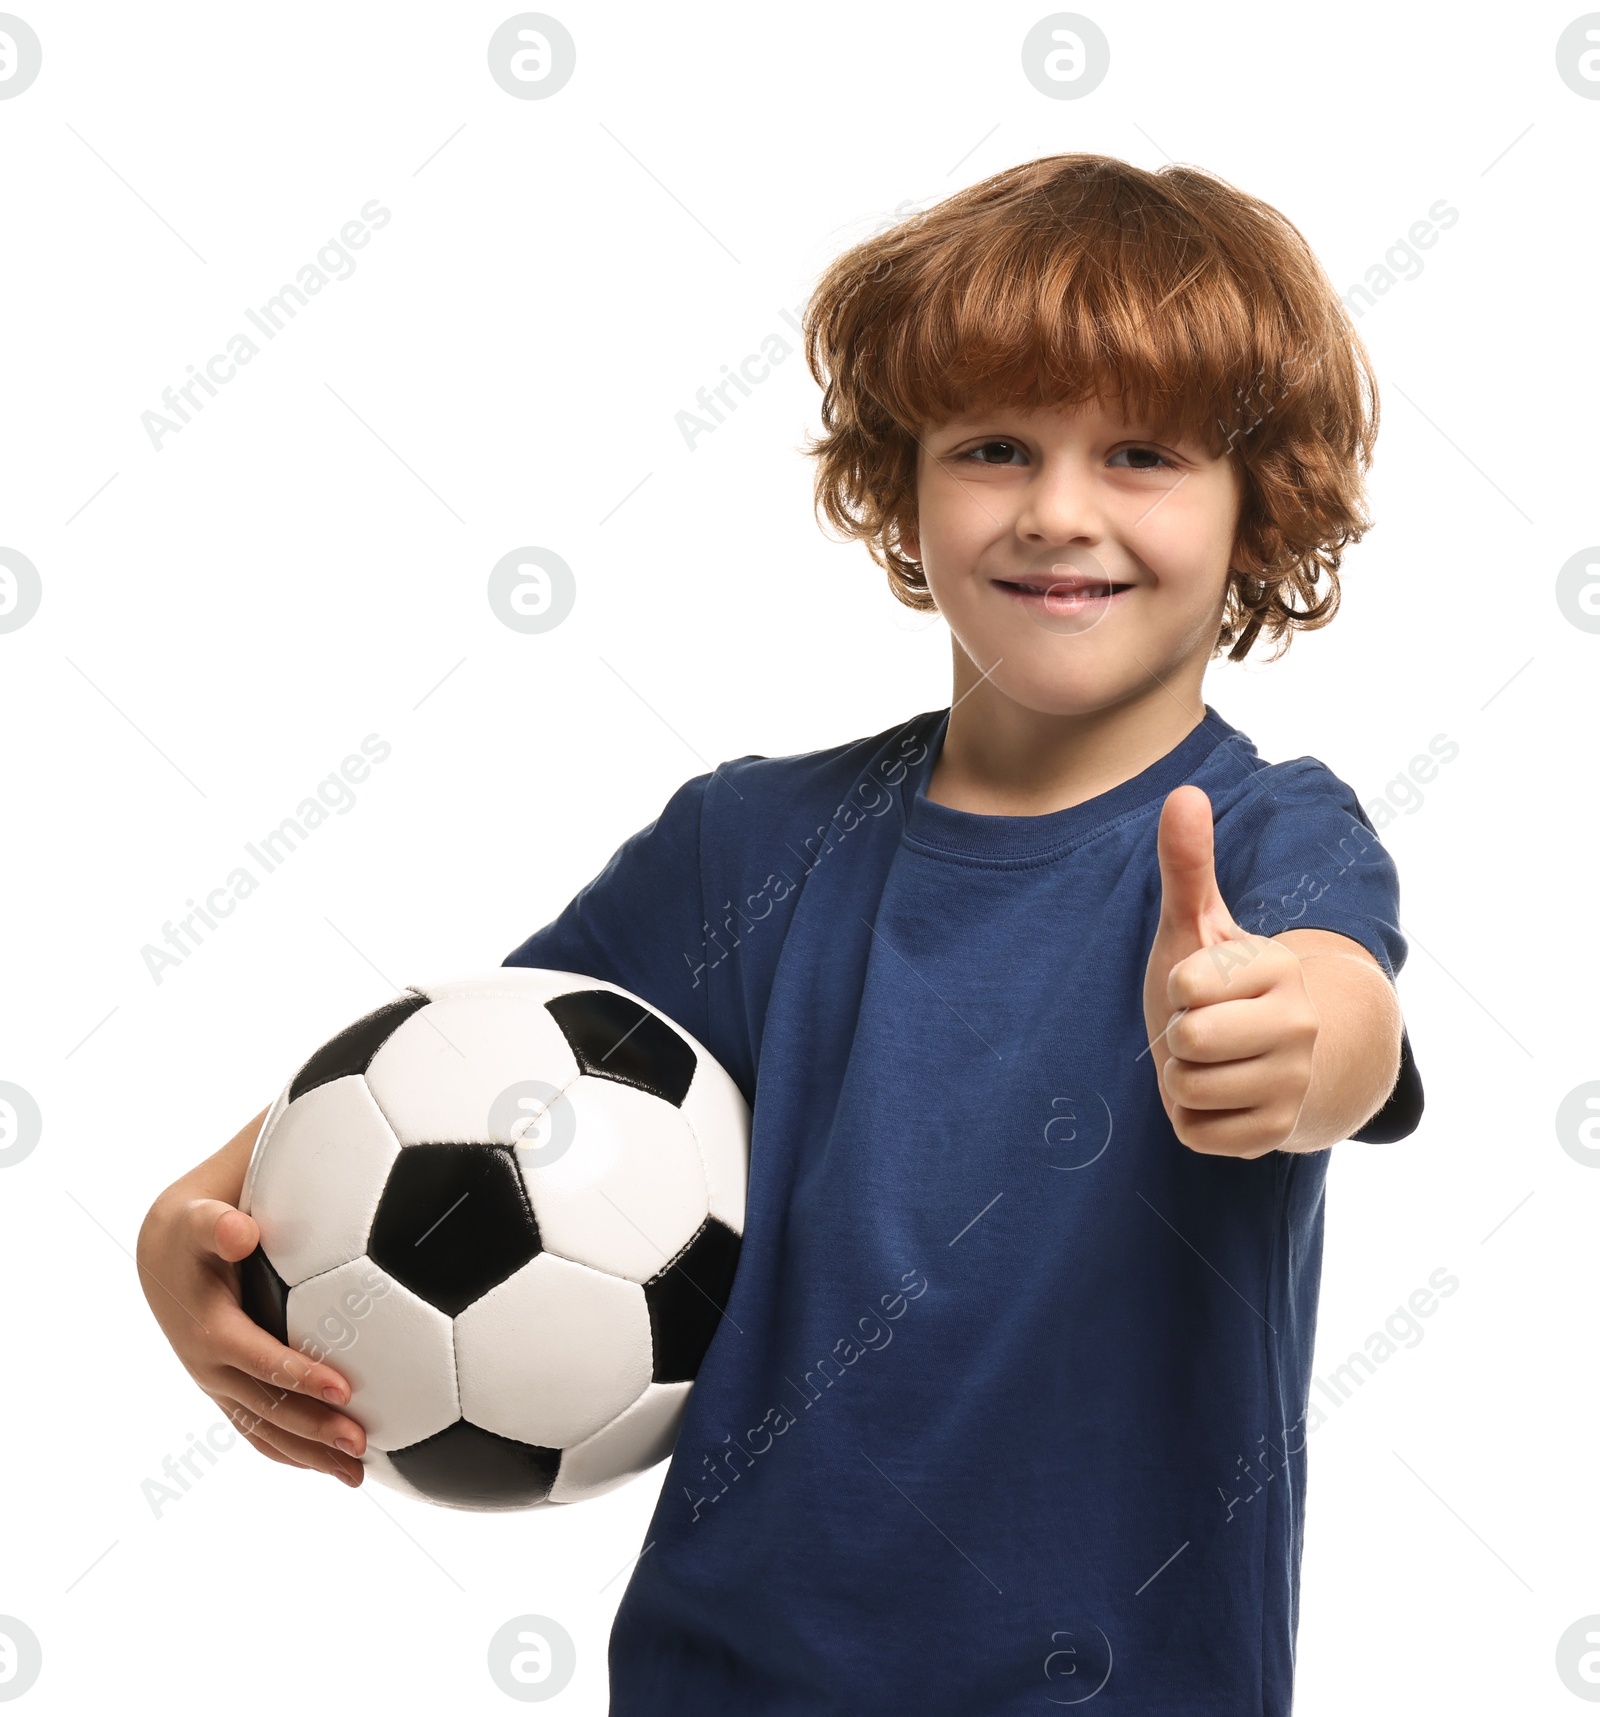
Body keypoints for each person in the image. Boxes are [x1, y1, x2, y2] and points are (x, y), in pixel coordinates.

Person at [138, 152, 1424, 1713]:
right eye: (996, 445)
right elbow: (430, 1087)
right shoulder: (747, 845)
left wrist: (1277, 1039)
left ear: (1257, 501)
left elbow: (1344, 1030)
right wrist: (186, 1240)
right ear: (905, 478)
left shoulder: (1274, 839)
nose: (1057, 510)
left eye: (1142, 453)